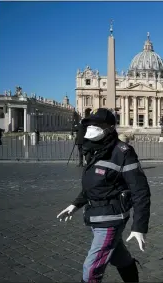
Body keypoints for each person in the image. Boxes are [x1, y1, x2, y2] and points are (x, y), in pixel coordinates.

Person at [56, 108, 152, 283]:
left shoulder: (123, 152)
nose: (92, 128)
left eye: (97, 125)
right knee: (119, 257)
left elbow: (141, 191)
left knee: (91, 269)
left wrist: (139, 226)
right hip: (95, 214)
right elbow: (94, 185)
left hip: (111, 218)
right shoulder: (93, 150)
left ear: (109, 128)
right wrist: (75, 204)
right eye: (90, 124)